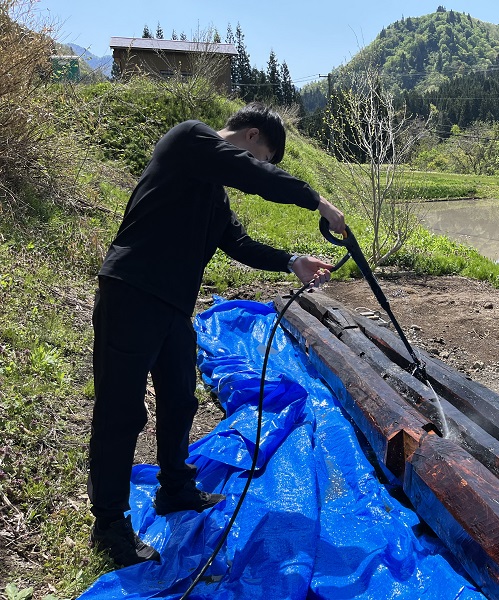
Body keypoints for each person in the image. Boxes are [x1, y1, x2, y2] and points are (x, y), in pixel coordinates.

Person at [88, 102, 345, 567]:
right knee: (120, 411)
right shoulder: (189, 139)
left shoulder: (212, 193)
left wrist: (293, 262)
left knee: (180, 397)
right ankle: (109, 525)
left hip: (171, 306)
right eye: (263, 157)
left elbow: (239, 244)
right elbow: (256, 177)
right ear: (250, 136)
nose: (259, 167)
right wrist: (318, 202)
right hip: (131, 291)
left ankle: (175, 490)